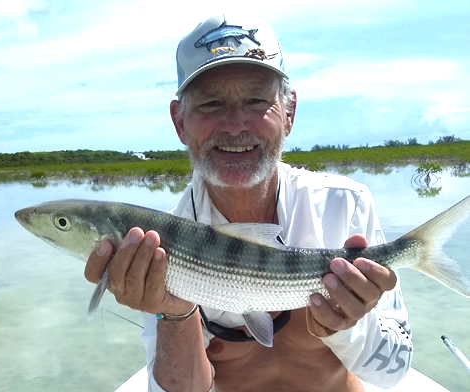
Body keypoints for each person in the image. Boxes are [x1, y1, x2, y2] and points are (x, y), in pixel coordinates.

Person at [84, 13, 413, 392]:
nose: (236, 124)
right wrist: (174, 311)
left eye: (257, 100)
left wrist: (347, 325)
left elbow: (394, 373)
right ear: (179, 122)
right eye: (210, 104)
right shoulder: (154, 246)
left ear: (288, 113)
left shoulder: (345, 206)